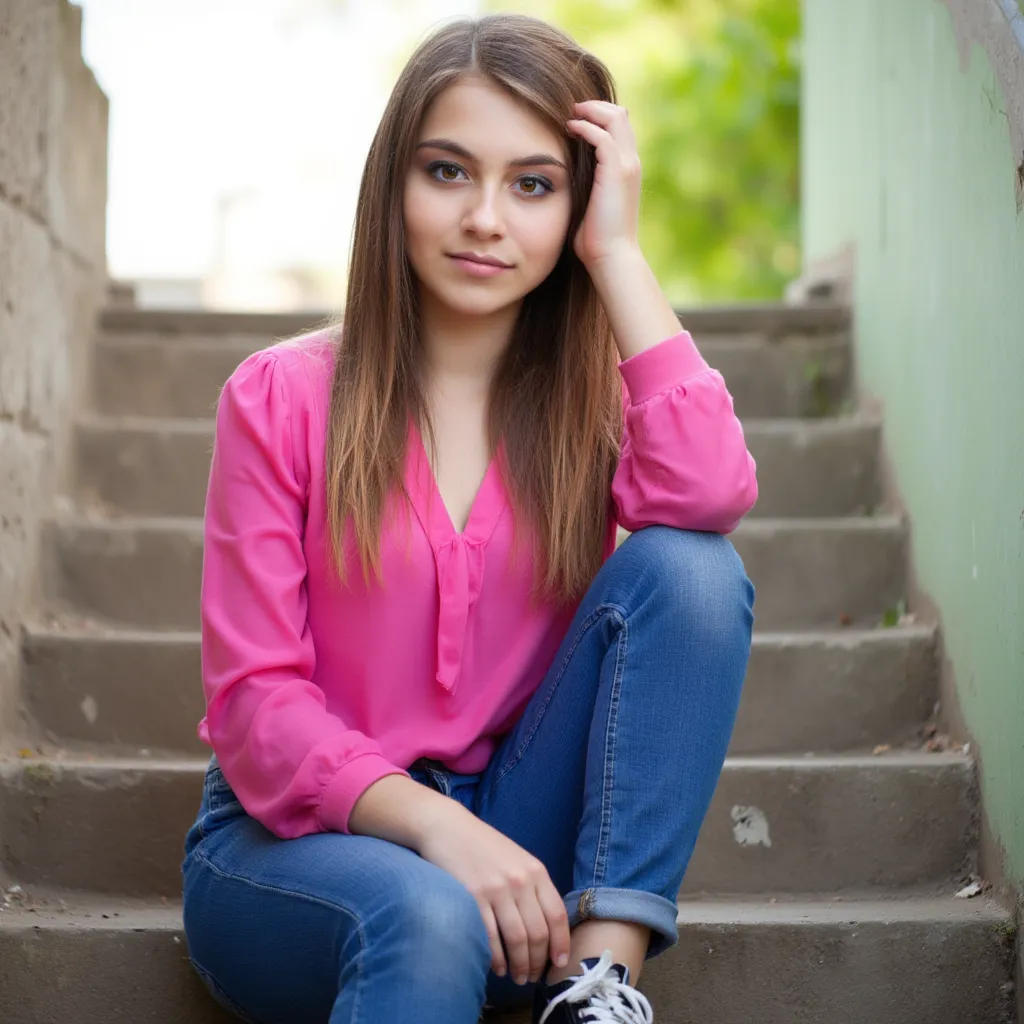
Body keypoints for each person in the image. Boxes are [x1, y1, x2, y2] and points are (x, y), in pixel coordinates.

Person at [181, 12, 757, 1024]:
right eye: (447, 172)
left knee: (692, 570)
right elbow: (252, 705)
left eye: (532, 185)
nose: (485, 217)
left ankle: (600, 982)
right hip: (300, 854)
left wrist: (617, 253)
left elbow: (710, 495)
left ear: (573, 205)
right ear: (393, 185)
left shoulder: (594, 409)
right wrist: (437, 833)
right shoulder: (277, 398)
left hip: (520, 854)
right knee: (426, 910)